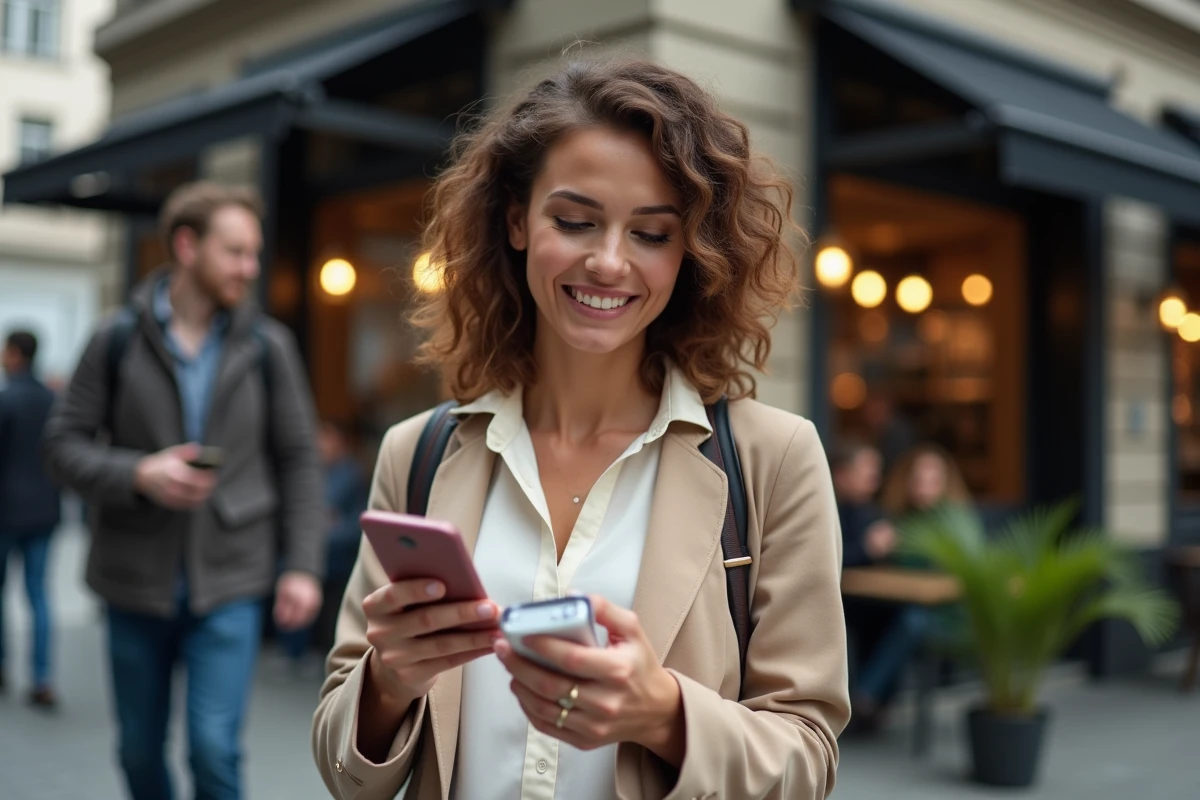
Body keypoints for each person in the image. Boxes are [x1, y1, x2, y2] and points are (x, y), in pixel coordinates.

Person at [312, 57, 850, 800]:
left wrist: (665, 715)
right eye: (574, 221)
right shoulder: (421, 453)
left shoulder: (773, 459)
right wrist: (387, 683)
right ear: (516, 220)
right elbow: (342, 760)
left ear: (690, 251)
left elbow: (809, 760)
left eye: (653, 234)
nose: (608, 262)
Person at [43, 181, 327, 800]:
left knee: (213, 751)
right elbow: (63, 445)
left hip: (231, 580)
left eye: (254, 253)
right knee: (139, 753)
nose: (250, 268)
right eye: (235, 252)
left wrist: (302, 566)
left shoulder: (267, 347)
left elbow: (300, 460)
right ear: (186, 246)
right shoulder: (115, 337)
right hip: (132, 580)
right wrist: (138, 474)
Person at [0, 330, 61, 708]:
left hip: (6, 511)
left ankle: (2, 665)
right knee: (39, 594)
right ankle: (42, 678)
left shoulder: (7, 400)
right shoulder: (53, 400)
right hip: (44, 510)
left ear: (16, 354)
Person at [277, 420, 369, 669]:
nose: (320, 445)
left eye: (325, 438)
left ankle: (328, 653)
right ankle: (295, 652)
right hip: (313, 552)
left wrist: (329, 526)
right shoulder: (312, 473)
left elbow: (356, 521)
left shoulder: (350, 473)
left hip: (338, 556)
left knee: (334, 609)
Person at [880, 442, 971, 520]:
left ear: (947, 484)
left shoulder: (959, 524)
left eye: (934, 482)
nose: (925, 491)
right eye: (918, 481)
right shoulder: (892, 522)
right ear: (905, 481)